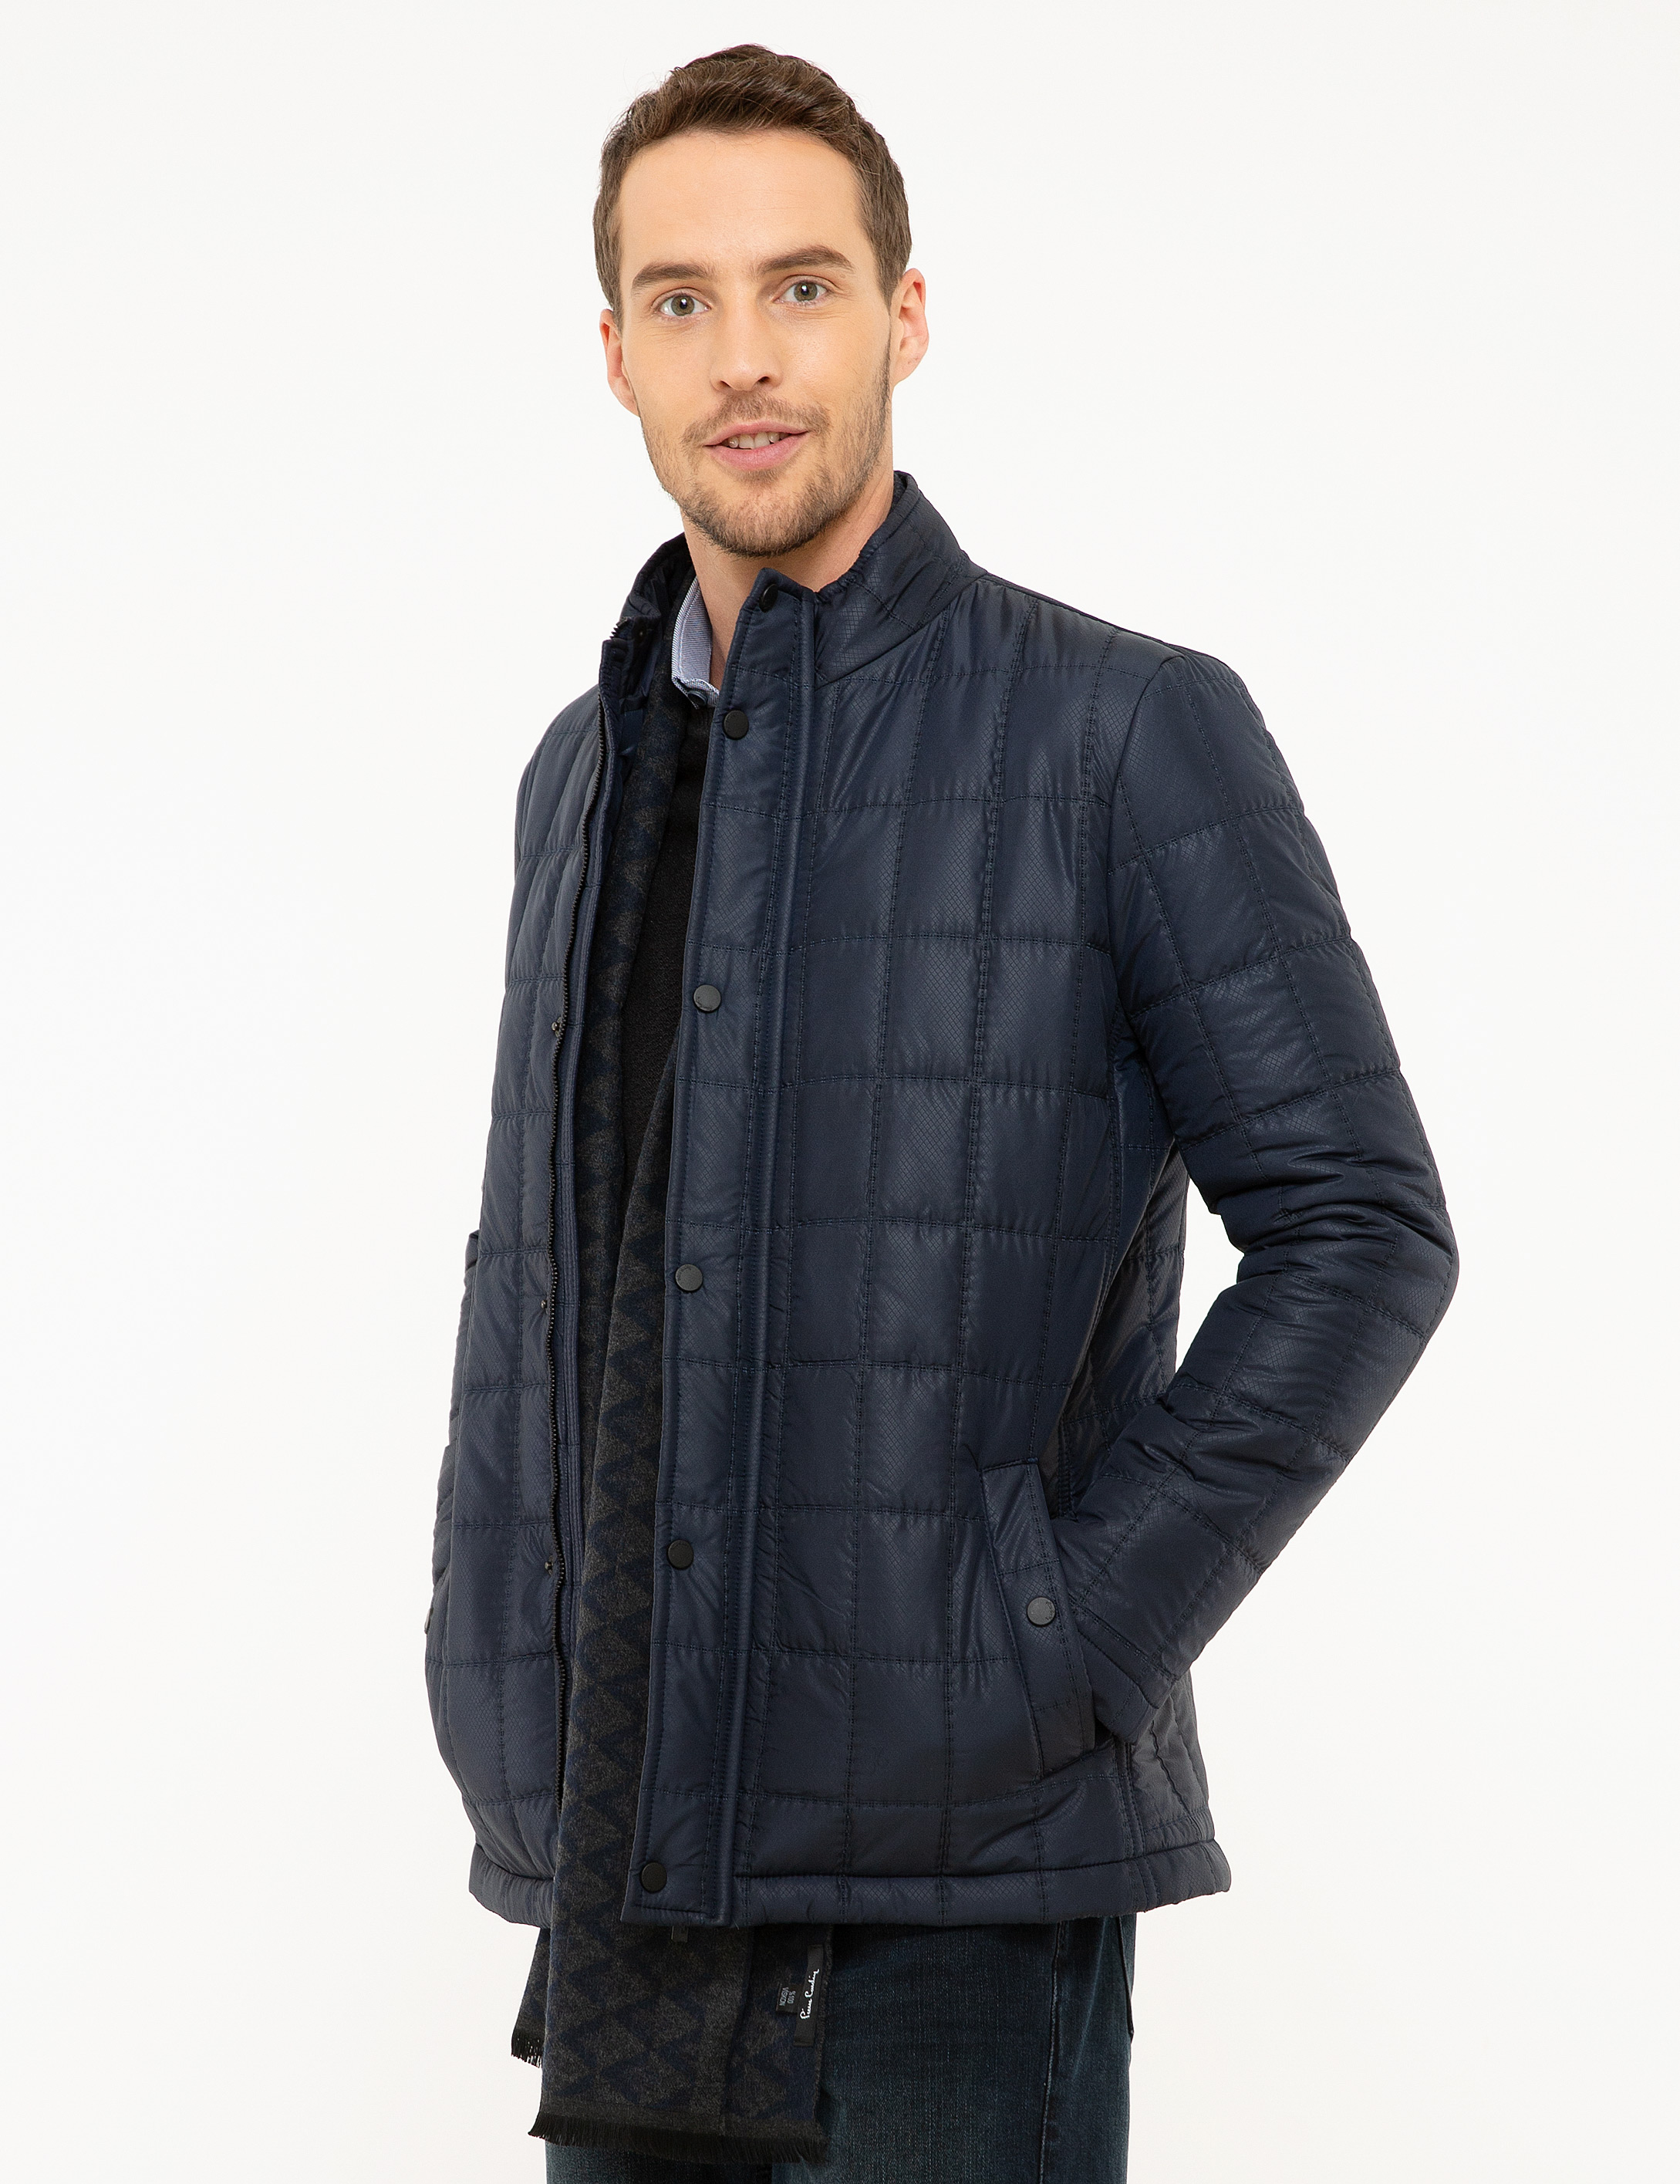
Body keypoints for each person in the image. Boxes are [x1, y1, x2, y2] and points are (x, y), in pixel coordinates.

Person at [423, 44, 1458, 2182]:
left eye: (800, 288)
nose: (744, 357)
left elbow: (1361, 1227)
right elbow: (546, 1263)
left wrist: (1051, 1647)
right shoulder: (578, 775)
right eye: (683, 300)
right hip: (623, 1862)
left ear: (903, 319)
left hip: (957, 1899)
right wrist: (485, 1650)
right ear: (614, 355)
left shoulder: (1121, 732)